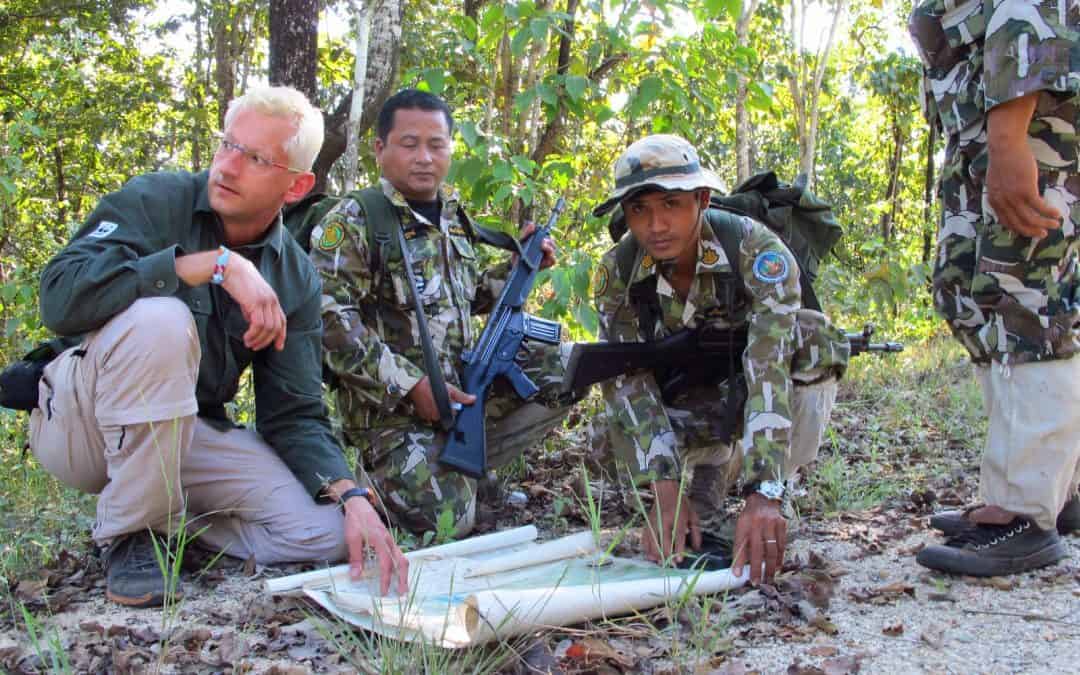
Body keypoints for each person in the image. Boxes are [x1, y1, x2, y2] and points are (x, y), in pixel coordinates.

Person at [30, 85, 408, 607]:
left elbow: (294, 415)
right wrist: (212, 265)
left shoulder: (294, 276)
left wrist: (352, 495)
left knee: (326, 532)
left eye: (254, 158)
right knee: (161, 321)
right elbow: (59, 299)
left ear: (297, 186)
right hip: (82, 423)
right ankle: (132, 534)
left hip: (178, 431)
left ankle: (165, 519)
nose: (227, 167)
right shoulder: (156, 200)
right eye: (227, 144)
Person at [308, 89, 572, 538]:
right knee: (449, 524)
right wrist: (411, 386)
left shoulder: (454, 218)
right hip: (392, 417)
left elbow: (462, 300)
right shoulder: (355, 219)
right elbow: (329, 320)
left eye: (437, 145)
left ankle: (471, 471)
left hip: (464, 395)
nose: (424, 158)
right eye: (409, 144)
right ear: (380, 149)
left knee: (565, 367)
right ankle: (386, 478)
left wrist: (517, 267)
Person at [590, 135, 847, 584]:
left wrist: (764, 492)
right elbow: (626, 379)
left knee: (816, 337)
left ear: (702, 199)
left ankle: (767, 482)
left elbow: (769, 366)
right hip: (690, 396)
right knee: (602, 442)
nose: (655, 224)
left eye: (671, 204)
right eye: (639, 210)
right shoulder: (618, 271)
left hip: (754, 391)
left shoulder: (757, 251)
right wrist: (664, 492)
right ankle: (713, 468)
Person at [909, 2, 1080, 576]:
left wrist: (1009, 139)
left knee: (1027, 306)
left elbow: (1027, 9)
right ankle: (1056, 490)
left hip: (1029, 136)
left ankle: (1026, 515)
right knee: (968, 297)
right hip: (979, 138)